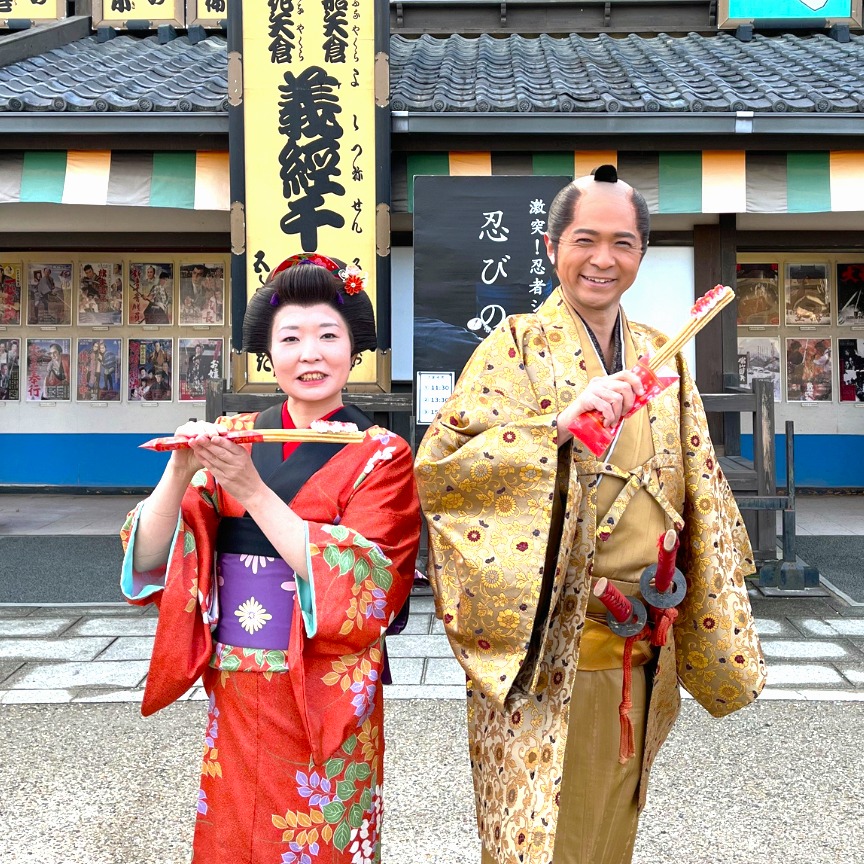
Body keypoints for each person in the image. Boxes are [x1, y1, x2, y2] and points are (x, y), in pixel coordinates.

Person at [414, 167, 766, 864]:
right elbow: (444, 469)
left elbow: (699, 485)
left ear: (641, 253)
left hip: (644, 636)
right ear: (551, 248)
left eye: (622, 243)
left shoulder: (662, 356)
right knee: (539, 832)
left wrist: (706, 598)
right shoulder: (515, 347)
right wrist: (553, 431)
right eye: (585, 240)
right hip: (549, 646)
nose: (603, 259)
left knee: (611, 826)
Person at [120, 251, 421, 864]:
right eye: (291, 338)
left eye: (328, 336)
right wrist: (180, 472)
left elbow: (371, 585)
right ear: (268, 351)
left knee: (321, 837)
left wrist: (252, 491)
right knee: (233, 833)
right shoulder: (235, 435)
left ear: (354, 348)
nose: (310, 354)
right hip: (236, 676)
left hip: (326, 684)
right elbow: (150, 556)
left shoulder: (382, 453)